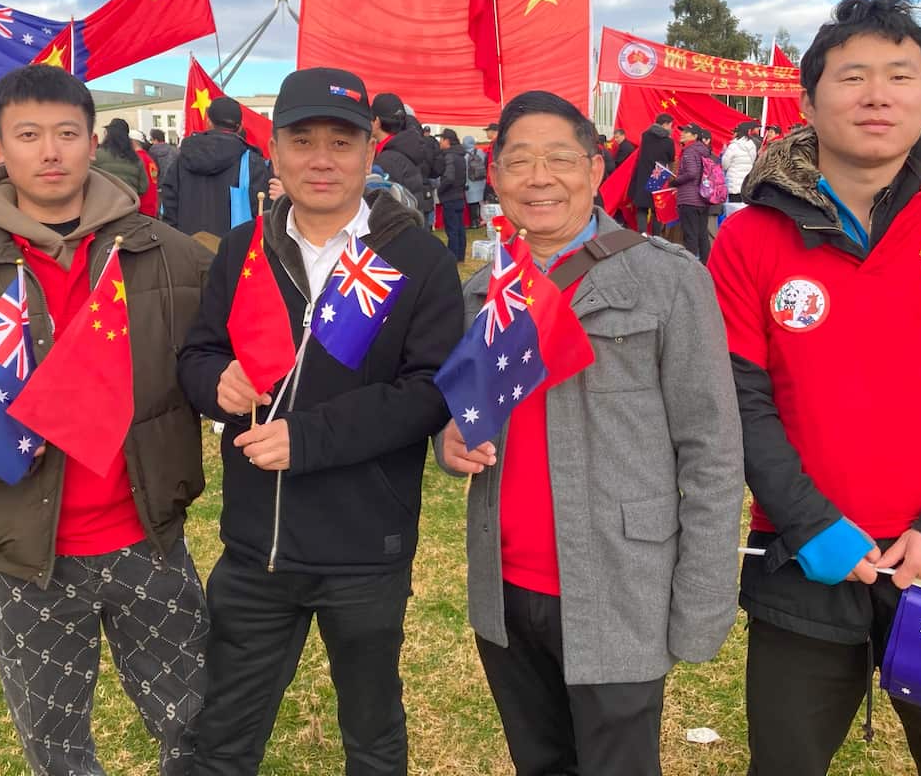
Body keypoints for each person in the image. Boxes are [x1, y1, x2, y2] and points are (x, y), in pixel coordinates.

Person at [709, 0, 921, 776]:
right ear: (808, 99)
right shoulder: (747, 236)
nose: (877, 94)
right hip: (806, 563)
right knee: (784, 762)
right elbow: (739, 397)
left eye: (900, 76)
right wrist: (809, 523)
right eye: (853, 75)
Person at [0, 64, 213, 776]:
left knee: (197, 728)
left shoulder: (164, 253)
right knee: (55, 747)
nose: (50, 151)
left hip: (149, 542)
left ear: (92, 141)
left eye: (66, 133)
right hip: (28, 558)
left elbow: (219, 362)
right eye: (28, 135)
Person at [438, 89, 744, 776]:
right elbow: (467, 419)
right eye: (518, 162)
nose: (539, 179)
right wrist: (450, 442)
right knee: (538, 763)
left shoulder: (667, 282)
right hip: (507, 588)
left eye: (559, 159)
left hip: (619, 585)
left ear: (597, 167)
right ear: (496, 176)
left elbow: (713, 451)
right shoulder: (487, 291)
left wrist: (702, 600)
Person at [177, 66, 464, 776]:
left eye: (342, 141)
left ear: (371, 151)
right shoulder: (245, 249)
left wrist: (305, 438)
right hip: (257, 548)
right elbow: (197, 354)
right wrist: (217, 382)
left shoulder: (416, 257)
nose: (322, 159)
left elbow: (429, 391)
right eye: (302, 140)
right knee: (221, 739)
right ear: (272, 151)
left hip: (366, 548)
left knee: (372, 735)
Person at [161, 97, 268, 237]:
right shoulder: (253, 162)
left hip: (187, 249)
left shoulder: (181, 160)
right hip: (235, 252)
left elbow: (169, 209)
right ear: (240, 126)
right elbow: (262, 213)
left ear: (208, 122)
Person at [373, 93, 438, 228]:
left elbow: (386, 207)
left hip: (398, 230)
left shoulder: (388, 158)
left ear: (377, 121)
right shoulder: (406, 147)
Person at [671, 123, 714, 262]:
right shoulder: (704, 151)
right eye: (682, 131)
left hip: (689, 199)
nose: (682, 134)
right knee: (702, 235)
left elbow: (692, 172)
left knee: (690, 235)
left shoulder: (689, 151)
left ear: (695, 136)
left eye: (686, 132)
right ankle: (706, 266)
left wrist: (675, 181)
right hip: (703, 197)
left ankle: (691, 267)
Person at [630, 115, 676, 235]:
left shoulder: (645, 136)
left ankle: (643, 233)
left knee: (642, 207)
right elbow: (671, 158)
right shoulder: (668, 141)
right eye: (671, 126)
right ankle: (656, 236)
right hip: (659, 176)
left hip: (643, 174)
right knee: (657, 208)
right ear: (665, 124)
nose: (671, 129)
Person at [91, 118, 149, 197]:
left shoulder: (96, 155)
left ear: (108, 135)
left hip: (103, 203)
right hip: (129, 205)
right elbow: (143, 188)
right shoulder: (136, 159)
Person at [437, 128, 469, 262]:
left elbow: (449, 177)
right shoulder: (461, 156)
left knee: (452, 229)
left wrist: (440, 190)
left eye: (441, 139)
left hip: (450, 196)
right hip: (459, 195)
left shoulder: (449, 156)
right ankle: (460, 255)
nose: (440, 142)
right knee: (460, 228)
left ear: (447, 141)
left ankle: (453, 256)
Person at [721, 121, 761, 214]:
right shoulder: (751, 145)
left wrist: (724, 153)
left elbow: (724, 164)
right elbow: (753, 160)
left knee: (733, 211)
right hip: (746, 184)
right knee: (744, 211)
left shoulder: (733, 146)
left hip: (734, 184)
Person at [130, 129, 161, 218]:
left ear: (132, 142)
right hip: (151, 208)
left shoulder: (136, 159)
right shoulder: (149, 159)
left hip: (142, 209)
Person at [463, 134, 487, 227]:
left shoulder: (465, 155)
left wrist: (465, 183)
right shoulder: (480, 152)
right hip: (481, 180)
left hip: (470, 181)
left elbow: (465, 171)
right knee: (481, 202)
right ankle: (483, 220)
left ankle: (474, 222)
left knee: (472, 203)